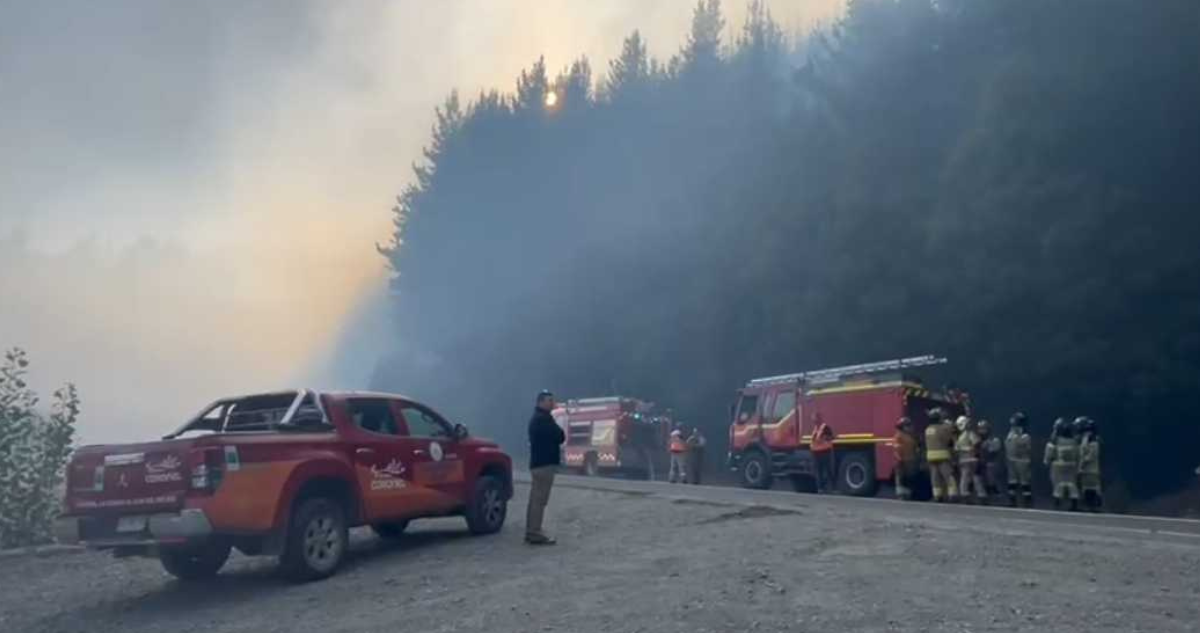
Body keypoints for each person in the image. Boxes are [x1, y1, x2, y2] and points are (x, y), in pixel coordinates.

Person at [526, 390, 565, 545]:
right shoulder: (543, 419)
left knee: (535, 499)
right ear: (540, 402)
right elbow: (560, 436)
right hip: (544, 465)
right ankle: (535, 533)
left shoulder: (537, 418)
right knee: (539, 500)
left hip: (538, 464)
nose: (552, 403)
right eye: (549, 401)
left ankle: (532, 530)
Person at [1044, 417, 1081, 511]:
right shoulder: (1074, 441)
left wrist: (1047, 461)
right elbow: (1078, 453)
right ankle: (1074, 503)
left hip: (1058, 465)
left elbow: (1049, 451)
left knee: (1058, 485)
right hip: (1072, 465)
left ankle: (1057, 503)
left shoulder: (1055, 440)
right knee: (1072, 484)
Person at [924, 408, 959, 502]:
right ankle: (953, 495)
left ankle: (937, 496)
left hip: (930, 456)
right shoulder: (945, 428)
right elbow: (951, 438)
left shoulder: (927, 429)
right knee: (948, 476)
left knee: (935, 477)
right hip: (942, 455)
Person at [955, 416, 987, 504]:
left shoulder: (960, 437)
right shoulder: (969, 434)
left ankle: (966, 495)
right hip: (971, 460)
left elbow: (957, 449)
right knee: (975, 478)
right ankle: (981, 496)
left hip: (965, 460)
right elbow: (977, 443)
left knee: (965, 479)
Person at [1004, 412, 1034, 507]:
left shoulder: (1024, 435)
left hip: (1022, 460)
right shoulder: (1012, 434)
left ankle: (1027, 500)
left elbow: (1024, 447)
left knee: (1024, 481)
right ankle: (1012, 500)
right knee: (1012, 481)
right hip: (1013, 460)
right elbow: (1008, 446)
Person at [1076, 417, 1103, 512]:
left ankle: (1094, 505)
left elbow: (1090, 455)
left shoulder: (1092, 440)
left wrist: (1082, 464)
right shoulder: (1086, 438)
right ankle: (1089, 505)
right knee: (1086, 488)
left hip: (1091, 469)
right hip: (1086, 469)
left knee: (1091, 487)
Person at [892, 417, 920, 501]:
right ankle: (901, 495)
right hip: (902, 461)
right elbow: (896, 449)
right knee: (901, 478)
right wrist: (899, 459)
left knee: (909, 478)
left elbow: (915, 447)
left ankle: (908, 494)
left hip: (910, 461)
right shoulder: (898, 436)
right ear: (903, 427)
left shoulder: (910, 436)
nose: (910, 427)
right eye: (908, 426)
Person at [811, 414, 836, 493]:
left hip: (825, 452)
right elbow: (814, 440)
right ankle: (820, 489)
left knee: (828, 470)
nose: (814, 421)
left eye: (815, 419)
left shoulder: (825, 428)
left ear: (819, 419)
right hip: (816, 453)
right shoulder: (815, 429)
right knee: (819, 471)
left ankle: (833, 488)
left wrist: (825, 438)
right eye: (813, 419)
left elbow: (832, 437)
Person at [978, 419, 1004, 499]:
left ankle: (998, 496)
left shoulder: (994, 439)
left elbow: (993, 451)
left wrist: (987, 447)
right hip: (982, 464)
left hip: (992, 463)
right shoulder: (978, 440)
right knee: (983, 481)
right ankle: (987, 496)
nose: (981, 431)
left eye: (983, 428)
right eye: (980, 428)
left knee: (993, 480)